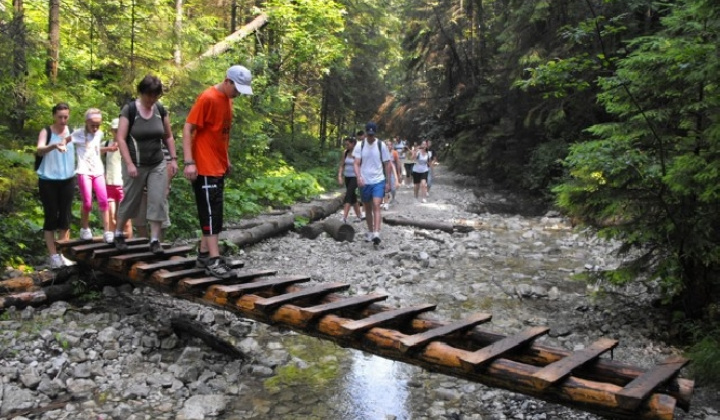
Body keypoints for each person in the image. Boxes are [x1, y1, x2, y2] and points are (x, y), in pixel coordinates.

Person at [183, 65, 253, 279]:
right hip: (203, 166)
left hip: (218, 165)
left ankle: (204, 255)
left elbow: (220, 135)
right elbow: (188, 128)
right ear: (227, 81)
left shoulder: (228, 101)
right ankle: (214, 261)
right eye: (237, 88)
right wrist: (189, 162)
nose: (238, 93)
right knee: (211, 215)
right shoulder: (208, 98)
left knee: (216, 213)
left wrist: (226, 158)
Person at [113, 75, 179, 255]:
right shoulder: (130, 110)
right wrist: (129, 164)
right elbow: (121, 138)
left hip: (157, 163)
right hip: (135, 163)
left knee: (157, 200)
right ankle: (118, 233)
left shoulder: (159, 109)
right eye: (149, 95)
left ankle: (155, 240)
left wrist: (173, 159)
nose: (152, 99)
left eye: (155, 96)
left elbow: (168, 136)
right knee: (131, 199)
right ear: (141, 93)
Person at [36, 103, 75, 269]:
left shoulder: (72, 133)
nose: (63, 120)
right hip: (48, 180)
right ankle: (53, 255)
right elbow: (39, 149)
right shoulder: (47, 131)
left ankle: (63, 253)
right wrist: (53, 146)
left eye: (65, 117)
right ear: (54, 116)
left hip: (67, 179)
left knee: (65, 216)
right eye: (60, 117)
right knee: (51, 215)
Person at [69, 108, 113, 243]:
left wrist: (108, 149)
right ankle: (84, 229)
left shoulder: (99, 133)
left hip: (98, 170)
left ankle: (107, 231)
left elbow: (95, 149)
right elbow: (65, 141)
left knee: (104, 200)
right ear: (86, 122)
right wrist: (61, 147)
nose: (95, 128)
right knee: (87, 202)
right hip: (84, 170)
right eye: (92, 125)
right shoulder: (78, 134)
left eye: (97, 125)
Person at [353, 121, 392, 245]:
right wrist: (358, 177)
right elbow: (356, 163)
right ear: (365, 133)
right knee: (367, 207)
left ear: (375, 133)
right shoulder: (360, 145)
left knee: (376, 204)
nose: (370, 137)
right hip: (365, 181)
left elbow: (387, 163)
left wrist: (387, 181)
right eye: (368, 134)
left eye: (372, 134)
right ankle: (370, 231)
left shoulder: (381, 145)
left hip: (378, 180)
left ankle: (376, 233)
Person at [102, 118, 132, 238]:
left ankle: (130, 242)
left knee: (125, 217)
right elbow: (92, 151)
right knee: (111, 216)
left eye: (119, 130)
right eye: (115, 130)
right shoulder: (106, 143)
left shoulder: (127, 144)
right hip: (109, 183)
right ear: (111, 130)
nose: (117, 132)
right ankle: (113, 242)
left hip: (123, 184)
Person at [337, 137, 364, 224]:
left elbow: (362, 166)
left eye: (348, 144)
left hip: (355, 177)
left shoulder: (358, 154)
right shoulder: (345, 153)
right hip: (347, 177)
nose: (346, 146)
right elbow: (342, 165)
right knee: (352, 197)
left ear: (353, 144)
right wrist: (340, 176)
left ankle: (344, 217)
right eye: (345, 144)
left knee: (348, 195)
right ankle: (359, 216)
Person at [382, 139, 401, 209]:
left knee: (393, 188)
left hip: (392, 172)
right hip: (384, 172)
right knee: (385, 187)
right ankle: (385, 201)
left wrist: (398, 174)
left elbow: (397, 163)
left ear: (391, 146)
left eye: (389, 145)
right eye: (387, 145)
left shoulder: (394, 153)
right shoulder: (382, 153)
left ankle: (393, 198)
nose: (388, 146)